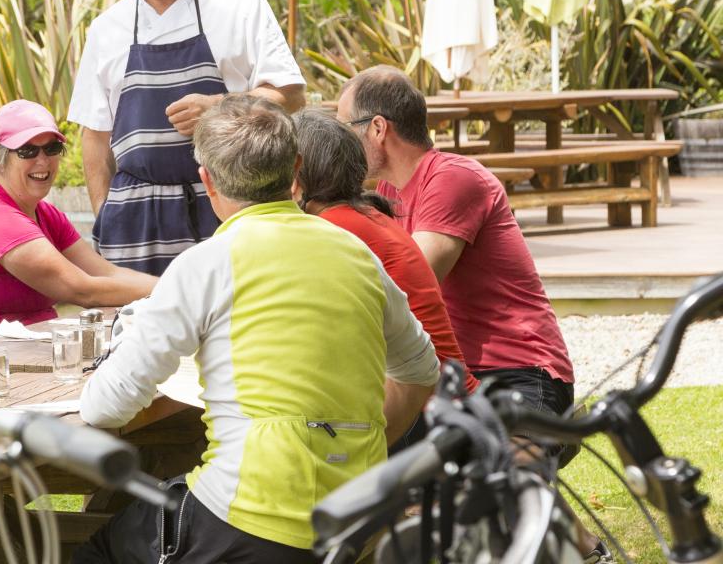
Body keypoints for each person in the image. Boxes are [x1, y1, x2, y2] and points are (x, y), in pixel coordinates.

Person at [75, 95, 439, 563]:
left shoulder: (206, 264)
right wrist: (361, 440)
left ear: (206, 180)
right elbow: (421, 369)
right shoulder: (356, 253)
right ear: (297, 170)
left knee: (102, 544)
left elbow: (107, 405)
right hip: (355, 513)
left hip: (252, 513)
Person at [336, 66, 605, 558]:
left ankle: (579, 541)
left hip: (520, 370)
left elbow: (413, 283)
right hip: (450, 379)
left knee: (500, 489)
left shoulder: (453, 178)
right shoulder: (390, 194)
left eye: (345, 129)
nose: (341, 145)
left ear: (377, 128)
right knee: (369, 467)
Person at [69, 0, 306, 275]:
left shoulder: (238, 3)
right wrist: (105, 216)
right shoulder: (107, 28)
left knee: (232, 325)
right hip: (135, 223)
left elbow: (291, 95)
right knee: (138, 330)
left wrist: (219, 106)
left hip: (228, 208)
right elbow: (95, 137)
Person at [291, 109, 479, 445]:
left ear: (295, 175)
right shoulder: (362, 215)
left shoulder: (331, 228)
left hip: (427, 410)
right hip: (449, 399)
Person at [0, 100, 157, 338]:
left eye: (51, 148)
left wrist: (177, 287)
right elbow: (83, 291)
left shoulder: (46, 214)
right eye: (27, 150)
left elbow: (106, 273)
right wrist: (181, 291)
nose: (43, 160)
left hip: (34, 350)